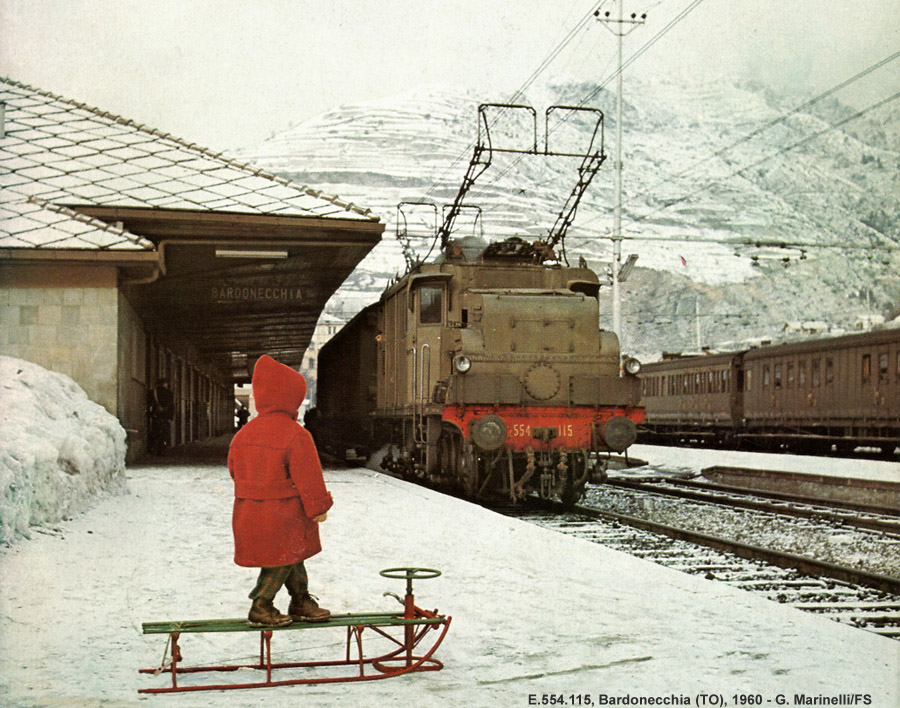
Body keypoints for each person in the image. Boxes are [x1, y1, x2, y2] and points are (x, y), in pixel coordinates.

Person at [228, 355, 333, 627]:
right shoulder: (296, 434)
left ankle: (300, 601)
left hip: (248, 512)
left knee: (290, 556)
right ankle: (261, 605)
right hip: (284, 514)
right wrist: (319, 507)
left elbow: (234, 472)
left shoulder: (244, 434)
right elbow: (309, 478)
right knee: (283, 557)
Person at [148, 378, 175, 456]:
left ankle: (151, 448)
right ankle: (161, 450)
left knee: (155, 432)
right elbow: (171, 406)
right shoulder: (169, 393)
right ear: (165, 384)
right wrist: (171, 417)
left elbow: (149, 404)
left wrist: (150, 414)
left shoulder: (153, 392)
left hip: (156, 415)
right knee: (165, 433)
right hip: (165, 416)